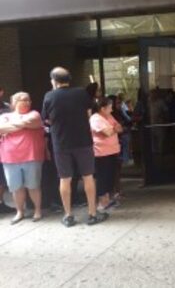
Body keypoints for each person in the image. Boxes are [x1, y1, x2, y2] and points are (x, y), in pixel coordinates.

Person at [42, 67, 108, 227]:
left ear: (53, 81)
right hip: (83, 141)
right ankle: (92, 214)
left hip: (61, 143)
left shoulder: (49, 96)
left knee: (65, 179)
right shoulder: (81, 93)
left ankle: (68, 216)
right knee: (88, 177)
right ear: (69, 79)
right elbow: (89, 112)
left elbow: (47, 120)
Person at [0, 92, 45, 224]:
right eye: (23, 100)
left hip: (31, 156)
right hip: (10, 157)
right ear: (14, 103)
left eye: (29, 100)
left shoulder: (34, 114)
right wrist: (22, 125)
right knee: (16, 187)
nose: (27, 102)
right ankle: (20, 212)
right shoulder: (4, 115)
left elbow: (34, 122)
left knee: (33, 185)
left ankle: (37, 210)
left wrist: (10, 127)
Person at [90, 97, 122, 211]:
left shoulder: (109, 116)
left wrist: (112, 128)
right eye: (110, 107)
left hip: (112, 151)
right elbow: (107, 132)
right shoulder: (95, 118)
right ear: (102, 108)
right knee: (102, 177)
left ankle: (107, 200)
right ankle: (101, 202)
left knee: (110, 176)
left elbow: (120, 128)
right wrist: (114, 128)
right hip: (101, 153)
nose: (112, 110)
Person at [0, 87, 15, 214]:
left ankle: (1, 203)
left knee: (2, 178)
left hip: (5, 146)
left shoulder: (7, 107)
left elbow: (14, 122)